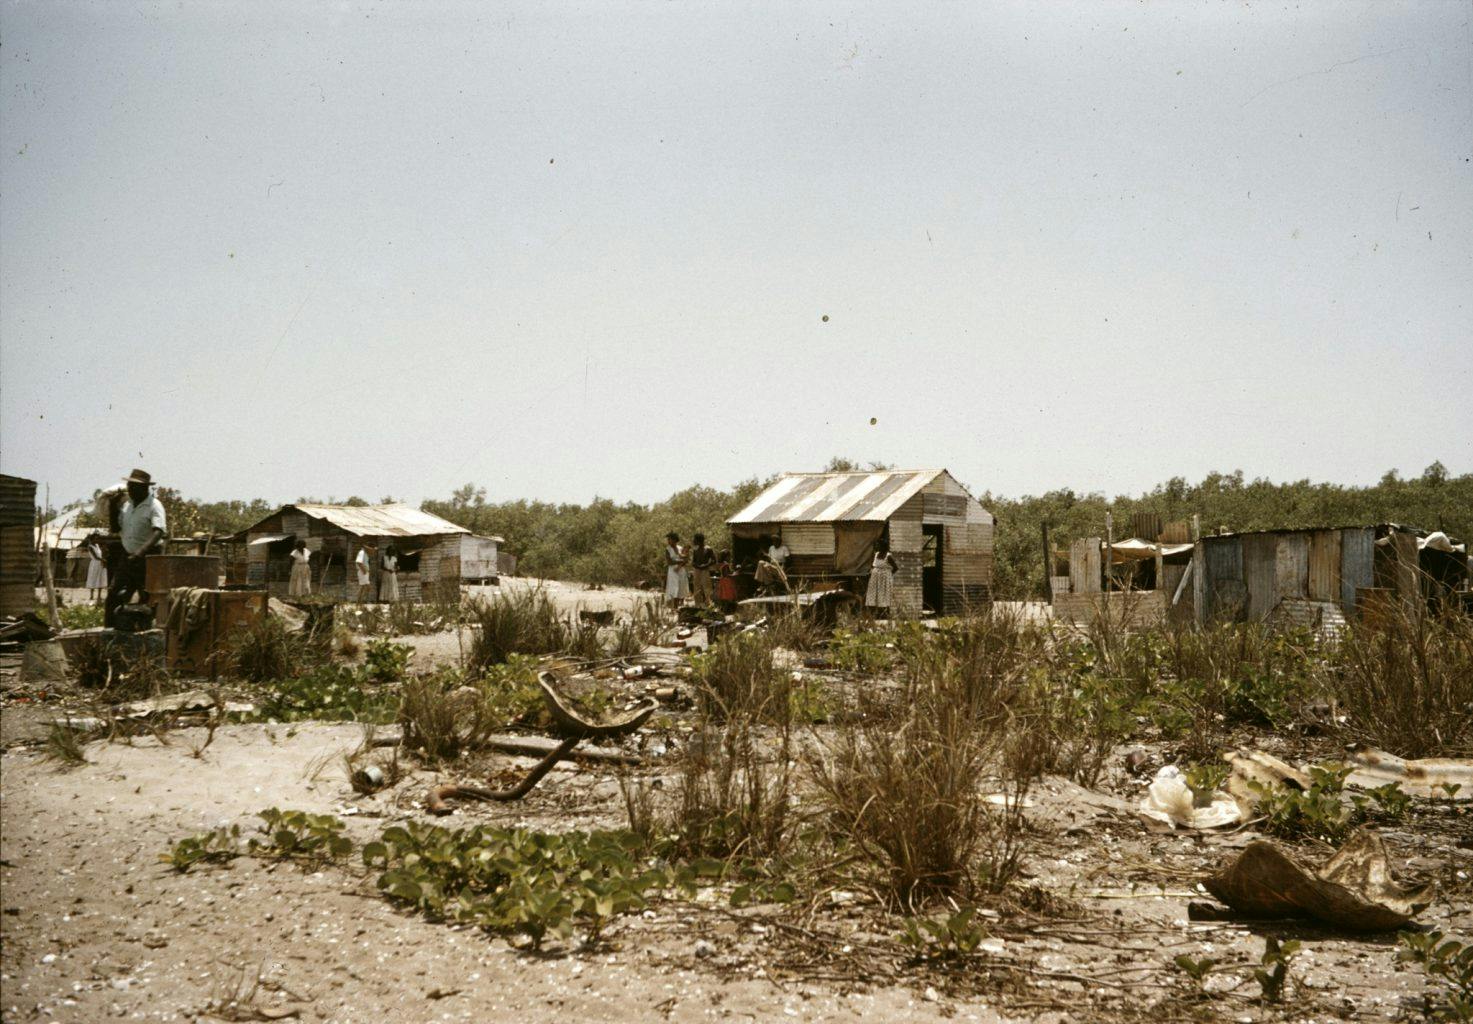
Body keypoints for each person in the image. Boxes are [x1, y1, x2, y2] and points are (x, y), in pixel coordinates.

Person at [104, 469, 166, 627]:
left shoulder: (154, 506)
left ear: (144, 488)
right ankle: (110, 629)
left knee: (148, 597)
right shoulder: (127, 506)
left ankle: (146, 631)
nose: (129, 490)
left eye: (133, 486)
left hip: (148, 558)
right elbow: (115, 529)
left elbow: (159, 532)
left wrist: (140, 552)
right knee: (114, 594)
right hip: (128, 556)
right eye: (129, 486)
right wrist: (113, 507)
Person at [865, 542, 899, 616]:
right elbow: (872, 565)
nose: (878, 547)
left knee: (883, 595)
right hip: (875, 579)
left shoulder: (888, 556)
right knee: (873, 594)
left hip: (884, 580)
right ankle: (874, 614)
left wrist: (888, 575)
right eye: (877, 546)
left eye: (879, 546)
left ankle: (884, 614)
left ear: (884, 547)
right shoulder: (876, 554)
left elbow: (896, 568)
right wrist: (871, 572)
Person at [689, 532, 716, 606]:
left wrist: (705, 565)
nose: (693, 541)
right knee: (696, 588)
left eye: (695, 539)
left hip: (705, 570)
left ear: (699, 540)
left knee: (707, 587)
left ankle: (709, 604)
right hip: (697, 571)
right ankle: (698, 604)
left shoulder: (708, 549)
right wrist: (697, 566)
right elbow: (693, 562)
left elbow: (714, 560)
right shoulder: (695, 550)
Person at [663, 532, 689, 606]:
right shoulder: (668, 549)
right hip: (672, 571)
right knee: (673, 586)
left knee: (681, 586)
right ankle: (673, 604)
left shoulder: (680, 548)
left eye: (670, 539)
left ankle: (680, 603)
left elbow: (686, 559)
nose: (668, 541)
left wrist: (681, 564)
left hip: (681, 570)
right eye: (668, 539)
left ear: (674, 540)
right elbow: (669, 562)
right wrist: (680, 561)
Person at [84, 533, 108, 602]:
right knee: (93, 578)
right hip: (94, 564)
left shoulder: (97, 545)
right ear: (92, 539)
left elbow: (100, 555)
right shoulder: (90, 546)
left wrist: (103, 560)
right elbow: (95, 556)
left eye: (97, 538)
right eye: (95, 538)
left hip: (100, 563)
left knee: (100, 578)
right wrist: (103, 560)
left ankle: (99, 596)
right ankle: (91, 595)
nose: (97, 540)